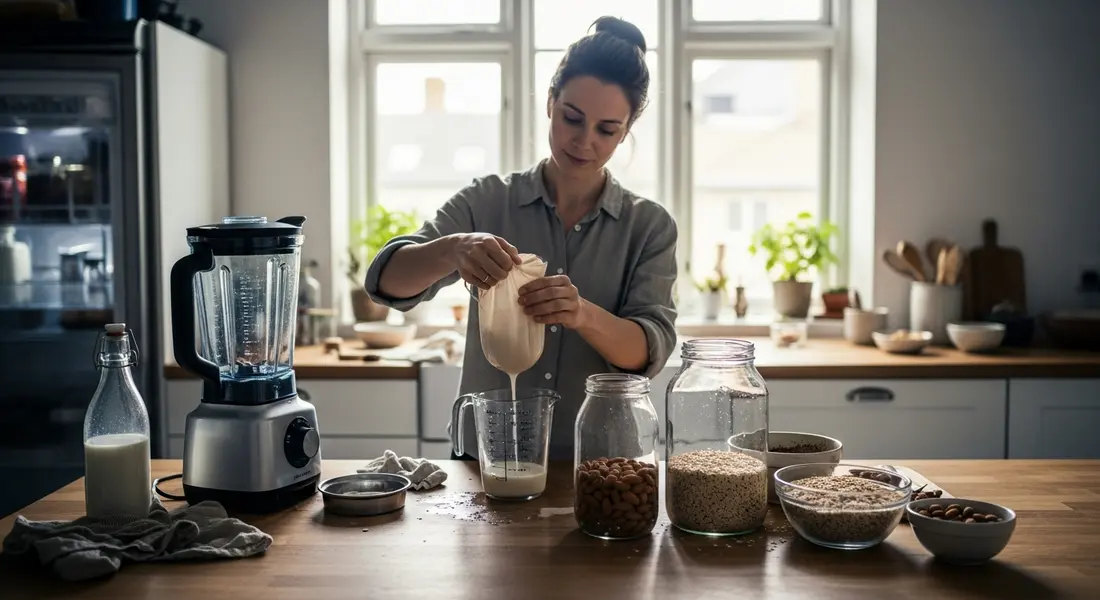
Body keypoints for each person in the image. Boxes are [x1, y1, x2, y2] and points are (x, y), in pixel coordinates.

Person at [364, 16, 678, 461]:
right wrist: (453, 249)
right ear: (550, 102)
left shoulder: (649, 227)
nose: (584, 141)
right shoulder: (487, 200)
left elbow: (648, 351)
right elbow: (388, 282)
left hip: (601, 466)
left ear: (625, 131)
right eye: (572, 117)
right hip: (486, 459)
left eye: (607, 129)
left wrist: (580, 313)